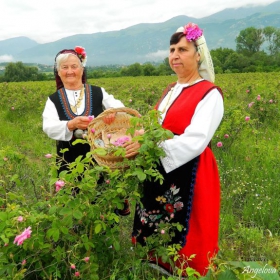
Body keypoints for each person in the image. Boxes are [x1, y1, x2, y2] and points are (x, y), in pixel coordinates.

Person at [131, 23, 224, 277]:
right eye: (172, 49)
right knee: (156, 212)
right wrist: (140, 137)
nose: (175, 55)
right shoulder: (171, 90)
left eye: (182, 49)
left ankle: (185, 268)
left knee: (188, 223)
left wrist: (152, 146)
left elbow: (197, 139)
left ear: (198, 55)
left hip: (191, 167)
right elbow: (156, 126)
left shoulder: (209, 93)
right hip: (161, 166)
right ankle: (156, 261)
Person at [42, 46, 130, 215]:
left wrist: (110, 114)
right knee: (72, 204)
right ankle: (76, 238)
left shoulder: (97, 92)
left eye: (74, 66)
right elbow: (48, 127)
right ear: (58, 72)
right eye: (64, 67)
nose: (70, 71)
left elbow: (120, 109)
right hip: (69, 160)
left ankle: (105, 238)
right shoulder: (54, 100)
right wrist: (70, 125)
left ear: (82, 69)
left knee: (102, 203)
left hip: (101, 159)